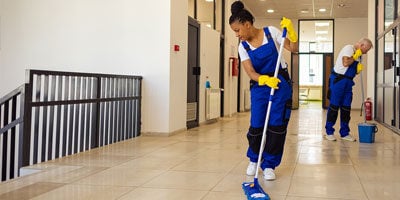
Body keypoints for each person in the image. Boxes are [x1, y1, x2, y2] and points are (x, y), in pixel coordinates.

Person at [229, 1, 298, 181]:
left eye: (237, 30)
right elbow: (251, 72)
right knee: (256, 125)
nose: (237, 35)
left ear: (247, 24)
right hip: (260, 86)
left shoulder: (271, 32)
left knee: (277, 126)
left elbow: (293, 49)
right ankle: (254, 159)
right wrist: (264, 79)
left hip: (280, 85)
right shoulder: (242, 47)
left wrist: (291, 33)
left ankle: (269, 164)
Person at [325, 38, 373, 141]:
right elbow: (345, 63)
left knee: (346, 108)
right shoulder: (349, 48)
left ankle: (345, 133)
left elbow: (352, 70)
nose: (366, 52)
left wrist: (357, 70)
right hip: (338, 80)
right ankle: (329, 132)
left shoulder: (359, 56)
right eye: (366, 49)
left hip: (348, 82)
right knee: (334, 107)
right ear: (362, 45)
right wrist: (355, 56)